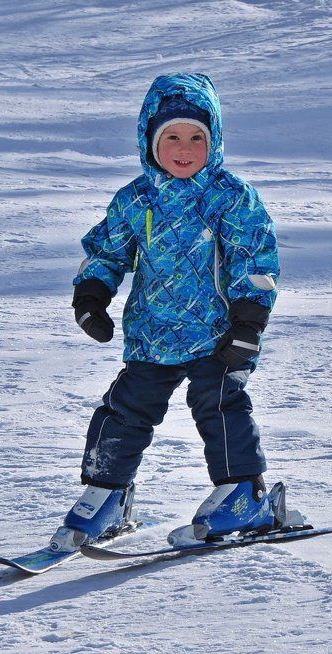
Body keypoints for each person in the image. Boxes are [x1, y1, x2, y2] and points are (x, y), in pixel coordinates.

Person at [50, 73, 284, 552]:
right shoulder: (136, 199)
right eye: (172, 136)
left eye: (197, 137)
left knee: (220, 408)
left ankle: (242, 493)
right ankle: (107, 493)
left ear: (214, 140)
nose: (184, 148)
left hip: (218, 335)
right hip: (152, 335)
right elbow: (107, 253)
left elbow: (255, 262)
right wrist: (91, 298)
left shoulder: (232, 197)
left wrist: (248, 325)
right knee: (124, 412)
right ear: (150, 141)